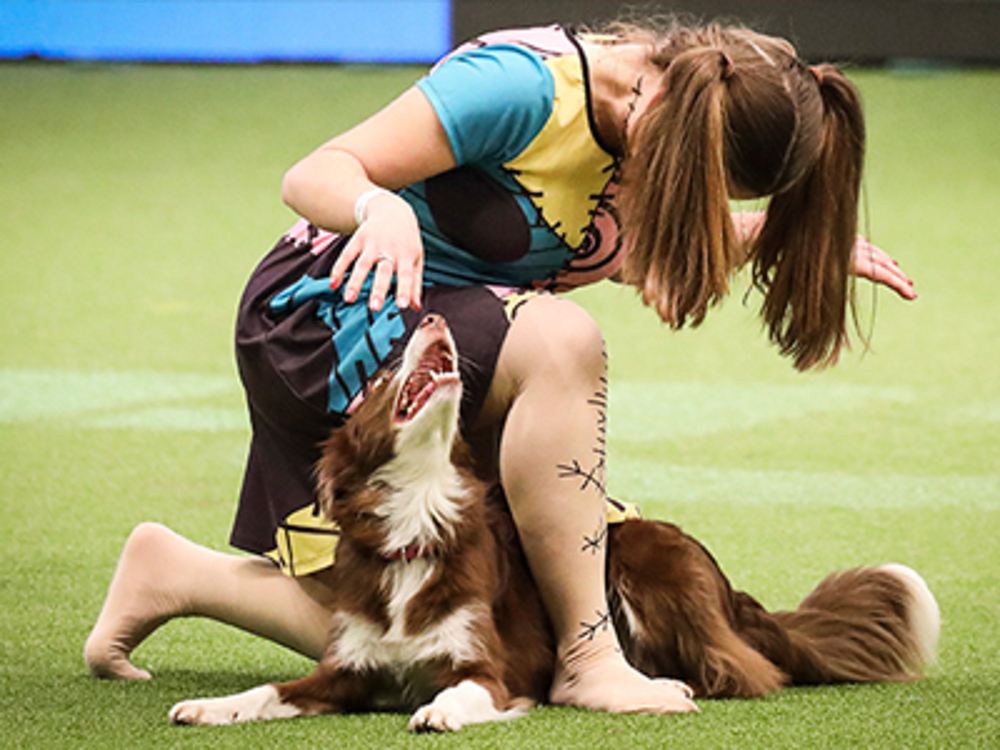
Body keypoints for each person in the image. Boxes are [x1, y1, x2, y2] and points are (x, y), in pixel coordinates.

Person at [84, 20, 916, 715]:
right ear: (662, 101)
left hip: (451, 335)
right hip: (330, 315)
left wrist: (772, 236)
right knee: (564, 341)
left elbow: (591, 244)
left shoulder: (654, 124)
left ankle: (181, 574)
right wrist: (378, 206)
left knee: (482, 638)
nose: (677, 201)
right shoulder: (521, 86)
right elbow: (315, 173)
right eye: (693, 184)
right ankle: (591, 658)